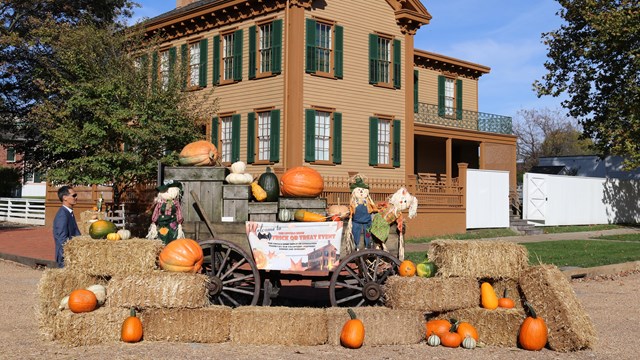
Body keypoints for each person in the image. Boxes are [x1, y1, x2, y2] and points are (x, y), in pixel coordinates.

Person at [53, 186, 81, 267]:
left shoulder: (69, 212)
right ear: (65, 198)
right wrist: (67, 257)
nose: (76, 197)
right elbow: (62, 239)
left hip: (72, 256)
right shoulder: (62, 215)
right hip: (65, 258)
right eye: (74, 195)